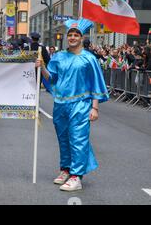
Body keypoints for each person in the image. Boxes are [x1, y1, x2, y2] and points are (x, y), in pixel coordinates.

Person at [35, 18, 109, 191]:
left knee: (78, 139)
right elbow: (51, 78)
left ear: (82, 38)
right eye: (70, 34)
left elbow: (95, 84)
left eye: (76, 35)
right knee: (63, 139)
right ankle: (65, 170)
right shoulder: (59, 57)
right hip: (60, 104)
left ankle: (76, 176)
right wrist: (42, 67)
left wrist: (95, 107)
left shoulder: (89, 59)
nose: (73, 37)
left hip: (81, 104)